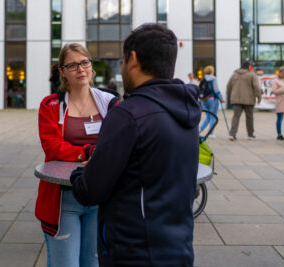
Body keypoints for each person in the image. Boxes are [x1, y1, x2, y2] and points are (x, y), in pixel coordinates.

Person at [70, 23, 200, 266]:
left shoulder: (128, 115)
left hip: (135, 251)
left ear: (133, 59)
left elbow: (90, 190)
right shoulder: (186, 110)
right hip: (178, 249)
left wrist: (80, 172)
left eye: (122, 59)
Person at [36, 43, 118, 267]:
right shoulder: (50, 105)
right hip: (63, 199)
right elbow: (52, 147)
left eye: (84, 63)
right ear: (62, 71)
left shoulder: (111, 103)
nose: (80, 69)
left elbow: (118, 143)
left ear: (91, 67)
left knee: (92, 264)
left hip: (99, 196)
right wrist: (87, 152)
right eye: (72, 65)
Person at [226, 61, 262, 141]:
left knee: (236, 117)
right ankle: (250, 135)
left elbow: (228, 86)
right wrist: (259, 97)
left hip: (236, 99)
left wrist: (231, 94)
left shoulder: (234, 75)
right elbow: (256, 87)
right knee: (249, 117)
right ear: (249, 67)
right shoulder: (252, 75)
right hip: (248, 99)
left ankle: (232, 134)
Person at [199, 65, 224, 138]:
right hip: (213, 99)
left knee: (208, 116)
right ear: (211, 71)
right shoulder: (214, 79)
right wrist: (221, 98)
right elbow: (216, 90)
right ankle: (211, 133)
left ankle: (199, 130)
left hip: (204, 99)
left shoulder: (203, 79)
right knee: (213, 116)